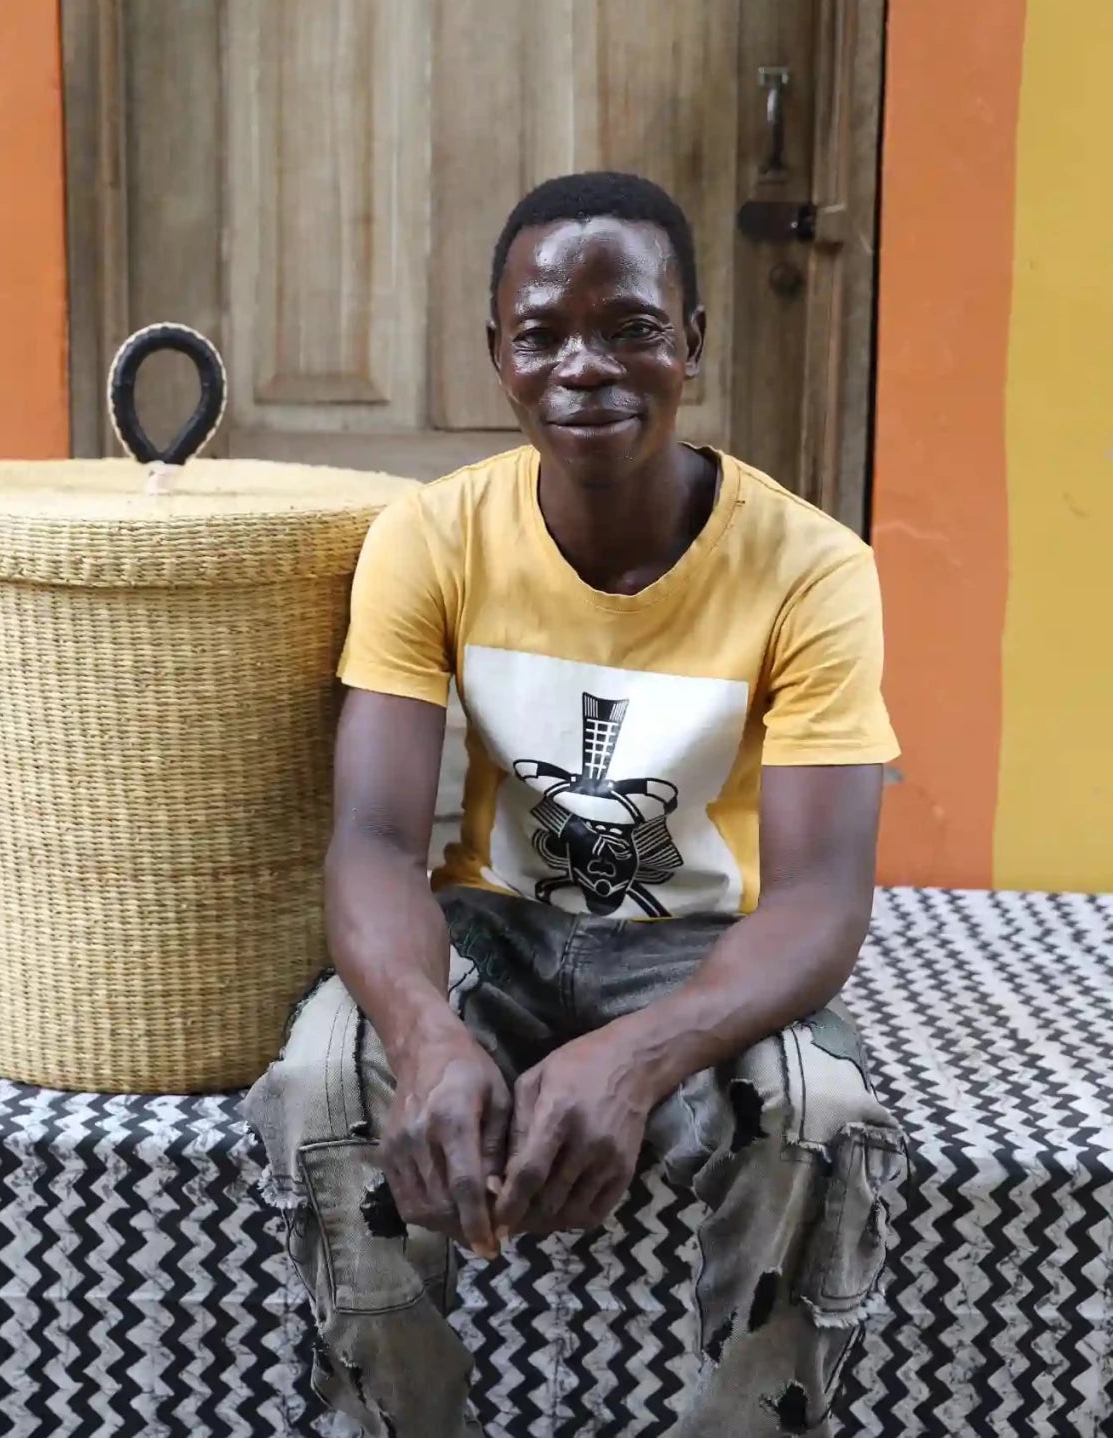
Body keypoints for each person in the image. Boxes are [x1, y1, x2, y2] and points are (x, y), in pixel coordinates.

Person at [244, 171, 907, 1437]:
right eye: (543, 334)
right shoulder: (432, 538)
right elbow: (377, 841)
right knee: (324, 1080)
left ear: (693, 347)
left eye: (632, 328)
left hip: (709, 946)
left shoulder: (813, 569)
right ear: (499, 358)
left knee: (819, 1117)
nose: (585, 366)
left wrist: (639, 1052)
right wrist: (429, 1031)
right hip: (494, 928)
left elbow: (824, 897)